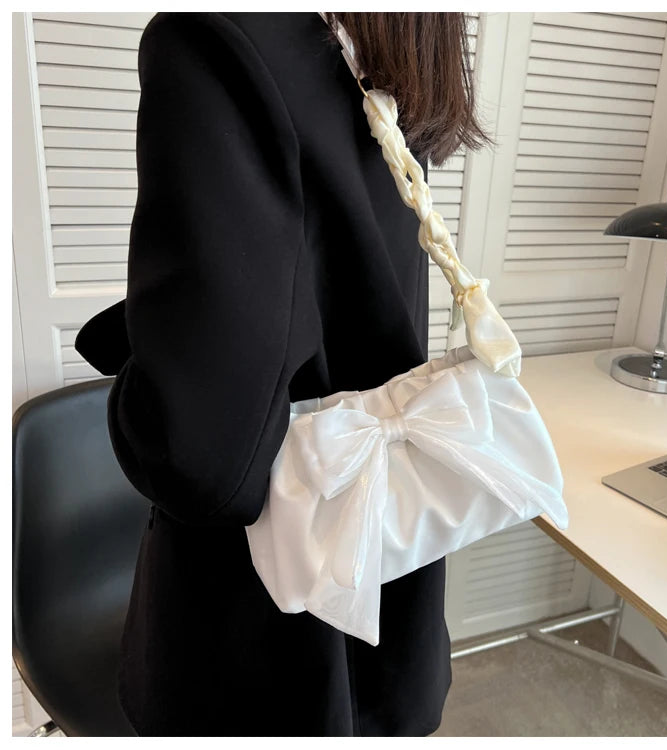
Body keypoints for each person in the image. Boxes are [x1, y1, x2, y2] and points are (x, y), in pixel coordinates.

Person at [75, 11, 494, 737]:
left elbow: (203, 462)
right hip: (385, 582)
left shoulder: (217, 38)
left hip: (257, 641)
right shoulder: (381, 55)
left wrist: (144, 370)